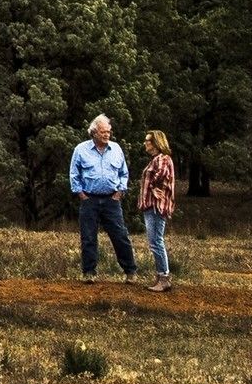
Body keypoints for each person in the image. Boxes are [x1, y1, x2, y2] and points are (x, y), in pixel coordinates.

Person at [70, 114, 137, 282]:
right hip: (89, 199)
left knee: (120, 235)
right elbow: (74, 173)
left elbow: (124, 172)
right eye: (103, 132)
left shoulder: (116, 149)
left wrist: (120, 191)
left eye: (109, 131)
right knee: (88, 237)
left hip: (111, 200)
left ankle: (130, 271)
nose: (107, 135)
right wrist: (80, 193)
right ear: (94, 133)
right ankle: (89, 273)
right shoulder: (81, 149)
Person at [136, 129, 180, 292]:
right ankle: (162, 276)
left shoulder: (161, 158)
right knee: (155, 241)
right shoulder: (157, 159)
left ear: (156, 143)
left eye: (148, 140)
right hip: (152, 206)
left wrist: (154, 187)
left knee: (156, 241)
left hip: (155, 206)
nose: (145, 143)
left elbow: (160, 174)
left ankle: (164, 277)